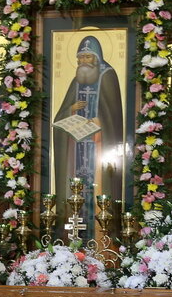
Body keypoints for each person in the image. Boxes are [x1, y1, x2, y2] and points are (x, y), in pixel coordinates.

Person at [51, 35, 124, 211]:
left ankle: (101, 232)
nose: (83, 61)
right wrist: (71, 109)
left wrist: (101, 121)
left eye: (87, 56)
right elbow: (58, 119)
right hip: (76, 147)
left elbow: (114, 116)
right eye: (80, 57)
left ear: (97, 58)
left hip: (99, 147)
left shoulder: (108, 76)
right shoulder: (77, 80)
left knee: (98, 184)